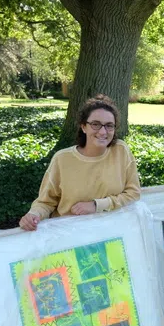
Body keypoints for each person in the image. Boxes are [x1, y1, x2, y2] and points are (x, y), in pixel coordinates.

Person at [19, 95, 141, 231]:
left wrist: (97, 205)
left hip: (110, 231)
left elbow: (133, 193)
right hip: (69, 235)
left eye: (109, 126)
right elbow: (46, 202)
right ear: (83, 127)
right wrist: (33, 215)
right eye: (95, 124)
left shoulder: (121, 150)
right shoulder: (62, 159)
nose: (102, 131)